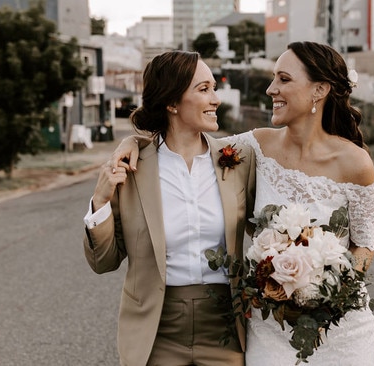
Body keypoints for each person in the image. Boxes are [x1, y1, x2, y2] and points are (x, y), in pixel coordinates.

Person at [111, 41, 374, 365]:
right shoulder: (255, 148)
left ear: (319, 90)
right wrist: (134, 141)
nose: (270, 89)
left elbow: (364, 246)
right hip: (272, 324)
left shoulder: (357, 164)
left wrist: (326, 296)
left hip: (338, 325)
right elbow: (184, 142)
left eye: (283, 79)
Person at [82, 50, 256, 366]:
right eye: (203, 89)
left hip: (226, 327)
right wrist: (100, 201)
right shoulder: (132, 167)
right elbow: (104, 262)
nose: (215, 98)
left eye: (214, 88)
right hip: (155, 330)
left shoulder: (238, 160)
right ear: (172, 102)